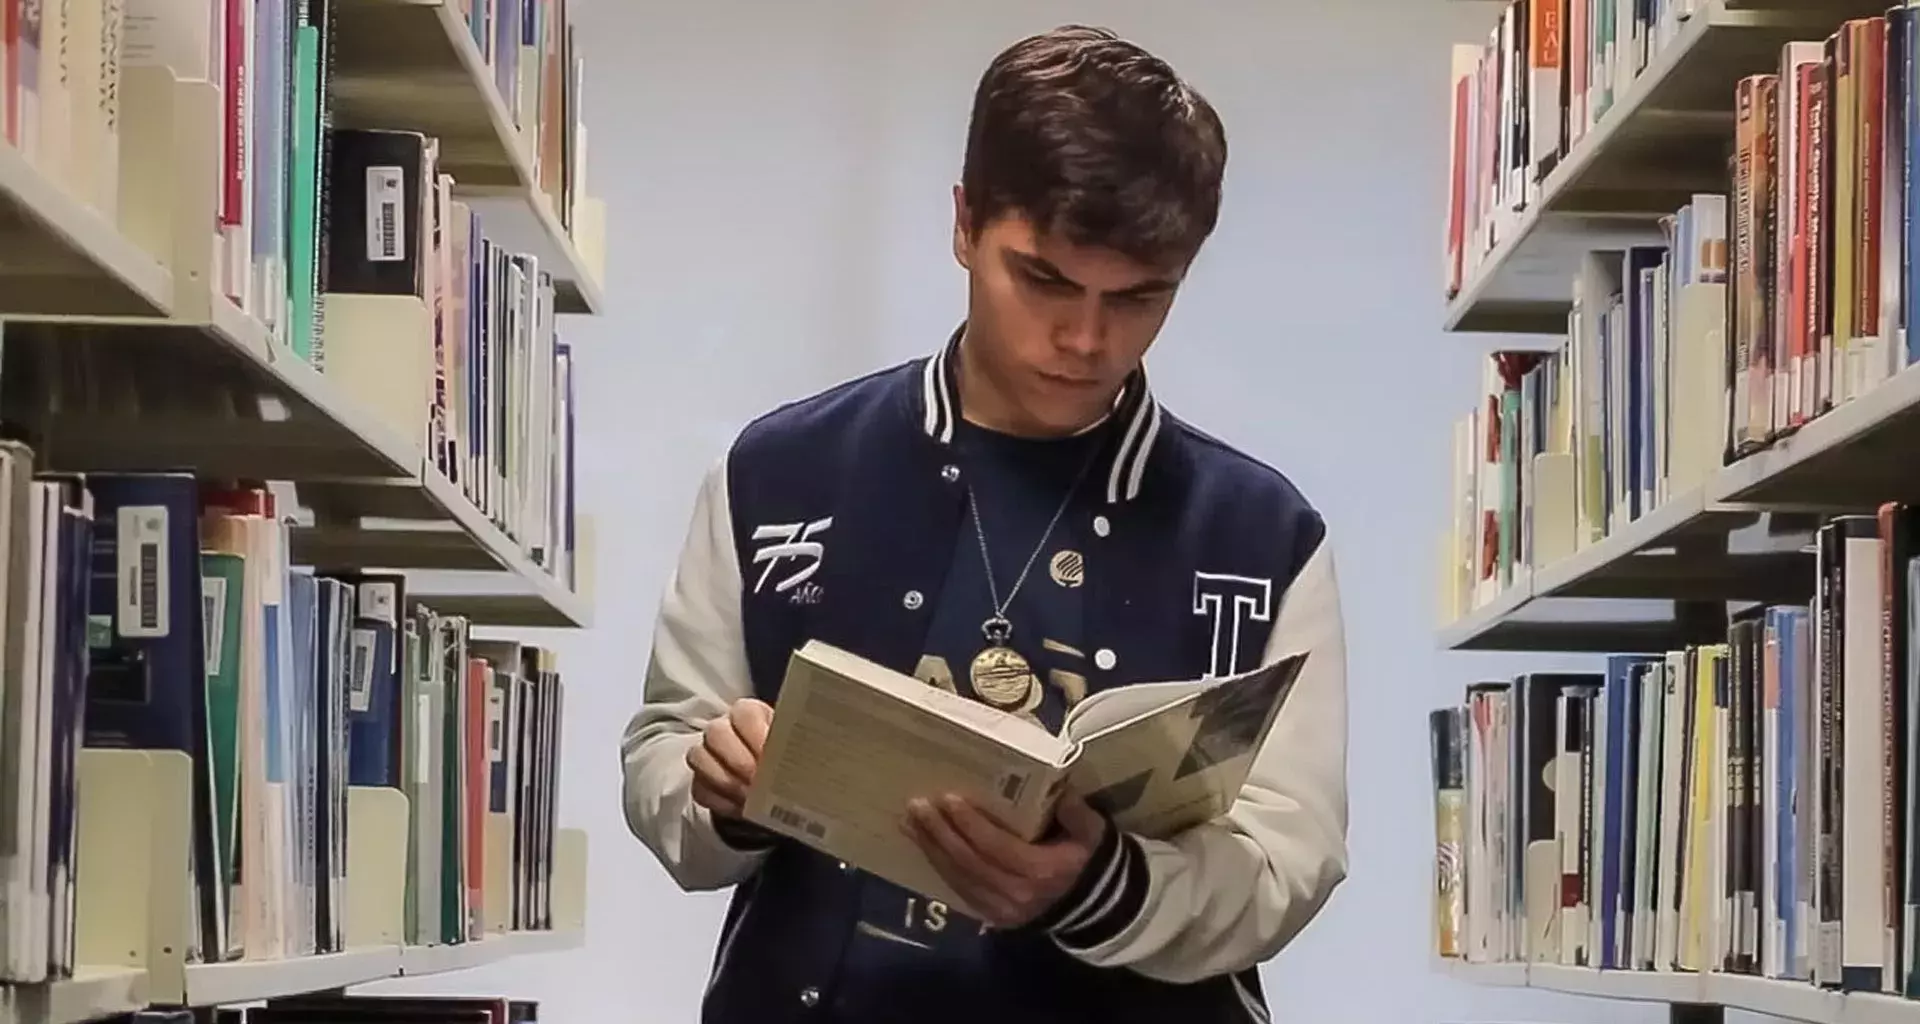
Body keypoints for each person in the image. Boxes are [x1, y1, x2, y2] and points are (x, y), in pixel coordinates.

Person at [620, 23, 1348, 1024]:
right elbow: (664, 751)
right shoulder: (774, 473)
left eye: (1139, 297)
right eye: (1044, 278)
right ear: (964, 223)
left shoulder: (1265, 535)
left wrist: (1099, 882)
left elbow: (1291, 857)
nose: (1087, 338)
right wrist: (722, 782)